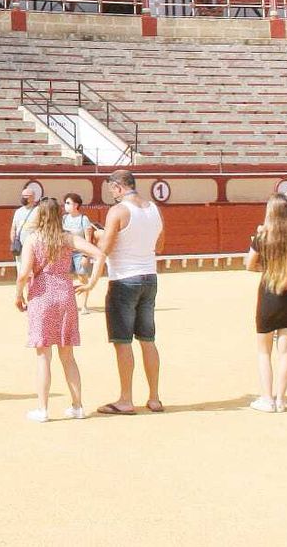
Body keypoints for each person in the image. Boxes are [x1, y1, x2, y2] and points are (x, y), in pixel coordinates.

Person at [16, 197, 105, 422]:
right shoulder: (67, 238)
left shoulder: (33, 239)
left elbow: (24, 272)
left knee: (43, 355)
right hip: (65, 293)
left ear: (39, 215)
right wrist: (90, 283)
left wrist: (18, 295)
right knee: (68, 355)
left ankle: (43, 409)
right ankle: (77, 406)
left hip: (42, 295)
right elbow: (100, 254)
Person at [96, 169, 165, 415]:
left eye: (111, 189)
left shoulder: (118, 211)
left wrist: (98, 236)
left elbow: (104, 248)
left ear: (118, 187)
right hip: (149, 276)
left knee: (123, 341)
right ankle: (154, 397)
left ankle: (126, 399)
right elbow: (160, 244)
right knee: (148, 339)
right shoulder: (153, 208)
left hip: (124, 279)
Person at [245, 194, 287, 412]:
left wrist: (268, 269)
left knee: (264, 351)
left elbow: (249, 264)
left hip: (269, 293)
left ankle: (267, 398)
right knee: (285, 350)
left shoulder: (263, 237)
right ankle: (280, 400)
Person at [62, 193, 100, 309]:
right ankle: (68, 304)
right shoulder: (64, 218)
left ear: (76, 205)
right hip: (67, 252)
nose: (65, 205)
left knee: (82, 276)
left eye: (68, 203)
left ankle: (84, 305)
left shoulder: (84, 219)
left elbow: (88, 239)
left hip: (79, 252)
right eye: (65, 203)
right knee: (65, 278)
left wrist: (85, 255)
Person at [9, 183, 45, 258]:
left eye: (26, 196)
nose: (23, 198)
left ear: (33, 197)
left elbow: (42, 227)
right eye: (22, 196)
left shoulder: (38, 210)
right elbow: (13, 228)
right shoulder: (18, 211)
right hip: (19, 247)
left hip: (33, 246)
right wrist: (14, 242)